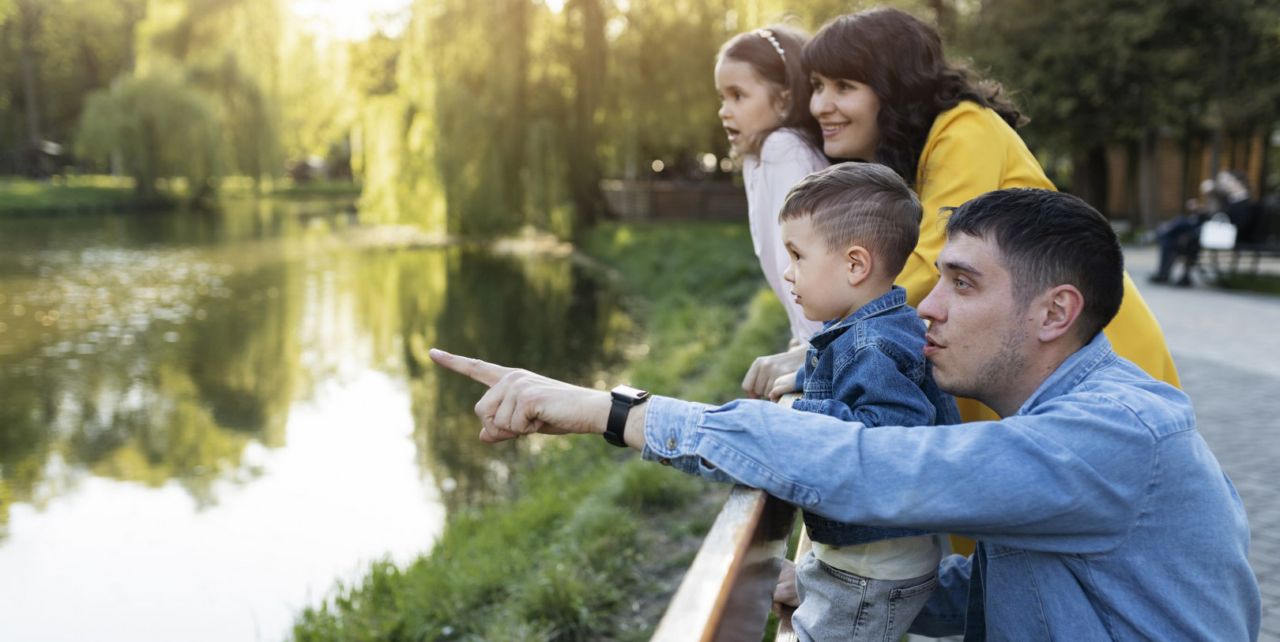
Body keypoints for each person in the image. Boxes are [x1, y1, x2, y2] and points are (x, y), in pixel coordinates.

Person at [429, 189, 1261, 640]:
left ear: (1054, 314)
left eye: (963, 284)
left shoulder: (1114, 435)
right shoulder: (1062, 432)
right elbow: (1000, 594)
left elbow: (872, 467)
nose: (926, 309)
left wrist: (609, 410)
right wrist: (817, 582)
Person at [740, 7, 1180, 406]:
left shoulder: (965, 130)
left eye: (844, 86)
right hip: (1030, 356)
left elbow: (925, 262)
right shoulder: (909, 158)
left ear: (894, 89)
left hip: (1086, 357)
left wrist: (823, 351)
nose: (821, 105)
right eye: (816, 86)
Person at [771, 162, 960, 639]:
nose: (787, 273)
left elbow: (889, 439)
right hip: (875, 557)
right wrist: (800, 378)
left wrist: (798, 410)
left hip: (870, 569)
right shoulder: (884, 324)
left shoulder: (870, 344)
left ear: (855, 264)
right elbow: (847, 380)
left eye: (797, 256)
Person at [713, 25, 830, 395]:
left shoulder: (784, 149)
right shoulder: (758, 156)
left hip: (827, 345)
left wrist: (813, 350)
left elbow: (806, 261)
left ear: (783, 100)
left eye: (738, 96)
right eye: (721, 97)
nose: (724, 111)